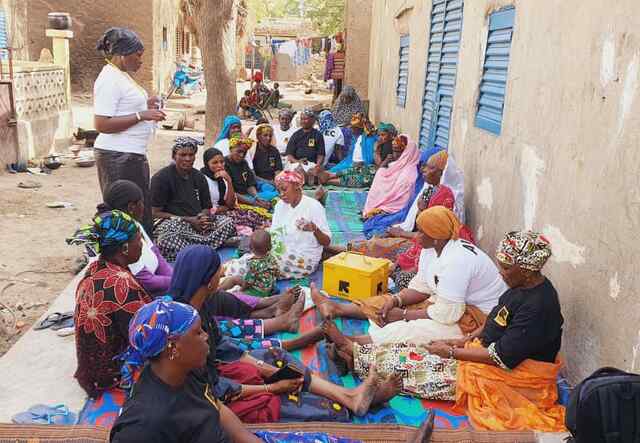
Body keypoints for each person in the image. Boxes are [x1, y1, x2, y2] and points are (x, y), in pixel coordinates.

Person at [324, 231, 566, 432]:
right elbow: (496, 319)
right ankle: (353, 351)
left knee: (422, 369)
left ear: (525, 270)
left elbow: (501, 357)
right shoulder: (519, 287)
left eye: (505, 268)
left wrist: (451, 353)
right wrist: (464, 340)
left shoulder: (539, 307)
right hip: (485, 352)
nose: (500, 272)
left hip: (511, 375)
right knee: (418, 349)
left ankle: (354, 357)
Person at [110, 299, 436, 442]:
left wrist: (251, 440)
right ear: (173, 347)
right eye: (198, 333)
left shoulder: (186, 372)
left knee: (315, 441)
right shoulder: (144, 426)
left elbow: (217, 407)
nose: (206, 335)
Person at [168, 246, 400, 423]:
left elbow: (223, 347)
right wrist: (271, 388)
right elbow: (210, 389)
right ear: (209, 281)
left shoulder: (205, 302)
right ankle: (346, 403)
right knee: (277, 401)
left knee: (276, 358)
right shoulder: (181, 329)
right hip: (207, 398)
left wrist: (264, 367)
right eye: (219, 275)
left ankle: (347, 395)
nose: (221, 279)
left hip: (217, 372)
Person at [313, 206, 507, 346]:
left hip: (477, 318)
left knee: (414, 329)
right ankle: (337, 308)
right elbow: (421, 286)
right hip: (450, 304)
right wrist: (396, 300)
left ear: (437, 237)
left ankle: (352, 343)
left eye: (422, 232)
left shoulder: (456, 261)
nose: (417, 236)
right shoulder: (432, 249)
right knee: (386, 304)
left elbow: (448, 314)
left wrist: (405, 315)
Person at [93, 28, 166, 234]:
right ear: (123, 54)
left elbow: (124, 106)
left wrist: (147, 103)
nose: (141, 61)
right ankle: (127, 261)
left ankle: (143, 258)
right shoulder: (109, 79)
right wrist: (141, 115)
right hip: (117, 158)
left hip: (131, 156)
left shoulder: (120, 75)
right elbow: (102, 124)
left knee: (140, 215)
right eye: (138, 55)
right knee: (127, 217)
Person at [74, 210, 152, 399]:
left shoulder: (95, 269)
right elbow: (143, 339)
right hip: (112, 378)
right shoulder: (121, 283)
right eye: (139, 239)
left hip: (90, 374)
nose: (142, 244)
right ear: (124, 248)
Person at [68, 180, 173, 298]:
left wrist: (175, 277)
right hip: (138, 294)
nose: (144, 207)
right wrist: (177, 281)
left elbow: (156, 254)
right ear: (131, 207)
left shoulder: (133, 225)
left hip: (158, 285)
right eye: (141, 203)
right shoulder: (118, 237)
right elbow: (146, 282)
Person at [150, 137, 236, 262]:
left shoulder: (199, 177)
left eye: (191, 154)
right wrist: (189, 220)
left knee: (227, 221)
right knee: (166, 237)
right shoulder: (161, 178)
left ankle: (195, 249)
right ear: (174, 156)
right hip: (176, 223)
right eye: (183, 155)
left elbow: (206, 207)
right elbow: (155, 213)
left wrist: (203, 217)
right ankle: (211, 245)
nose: (188, 158)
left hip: (198, 224)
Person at [270, 171, 331, 279]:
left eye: (284, 189)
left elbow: (326, 242)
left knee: (264, 265)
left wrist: (314, 229)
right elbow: (274, 233)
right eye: (279, 191)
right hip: (282, 252)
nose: (281, 194)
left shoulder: (314, 206)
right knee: (256, 257)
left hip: (305, 260)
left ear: (297, 186)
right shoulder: (280, 205)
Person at [200, 147, 269, 230]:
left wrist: (229, 181)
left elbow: (230, 204)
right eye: (214, 163)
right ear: (207, 164)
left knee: (257, 217)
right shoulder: (202, 179)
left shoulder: (223, 178)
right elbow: (200, 206)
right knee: (240, 224)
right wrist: (216, 209)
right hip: (211, 216)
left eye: (222, 162)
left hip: (226, 211)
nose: (219, 165)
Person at [363, 135, 421, 219]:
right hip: (388, 198)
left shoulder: (409, 173)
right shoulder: (397, 164)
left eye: (399, 152)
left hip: (394, 205)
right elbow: (382, 172)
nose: (395, 155)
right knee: (380, 173)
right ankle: (374, 207)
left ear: (407, 152)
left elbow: (402, 199)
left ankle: (379, 208)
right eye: (394, 151)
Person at [319, 113, 379, 188]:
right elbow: (351, 157)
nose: (351, 129)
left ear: (360, 128)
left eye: (353, 128)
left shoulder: (370, 139)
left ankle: (329, 180)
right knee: (334, 171)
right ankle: (328, 176)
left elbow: (369, 160)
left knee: (354, 175)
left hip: (362, 167)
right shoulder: (356, 138)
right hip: (352, 165)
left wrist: (357, 165)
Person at [220, 230, 279, 297]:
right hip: (268, 287)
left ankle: (218, 292)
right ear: (270, 247)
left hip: (257, 291)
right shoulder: (271, 258)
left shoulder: (254, 263)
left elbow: (248, 282)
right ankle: (271, 290)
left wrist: (241, 290)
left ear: (251, 247)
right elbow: (277, 272)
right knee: (237, 279)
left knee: (234, 282)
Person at [224, 136, 276, 209]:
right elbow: (231, 193)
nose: (242, 155)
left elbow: (250, 184)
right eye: (239, 151)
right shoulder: (224, 164)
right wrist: (254, 203)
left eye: (244, 153)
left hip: (248, 195)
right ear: (230, 149)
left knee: (273, 196)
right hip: (236, 199)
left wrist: (257, 197)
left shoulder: (244, 163)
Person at [285, 109, 325, 180]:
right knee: (299, 170)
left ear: (312, 120)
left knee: (320, 172)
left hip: (312, 165)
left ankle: (309, 178)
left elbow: (321, 154)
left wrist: (318, 166)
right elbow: (289, 155)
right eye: (301, 119)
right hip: (297, 164)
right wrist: (298, 162)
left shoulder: (318, 135)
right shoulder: (296, 135)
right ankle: (309, 178)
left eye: (305, 119)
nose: (303, 121)